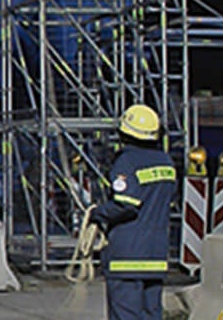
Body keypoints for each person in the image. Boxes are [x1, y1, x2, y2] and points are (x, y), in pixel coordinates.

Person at [91, 104, 176, 320]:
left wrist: (96, 213)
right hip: (156, 255)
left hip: (127, 256)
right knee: (151, 314)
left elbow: (125, 205)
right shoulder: (167, 162)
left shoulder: (127, 162)